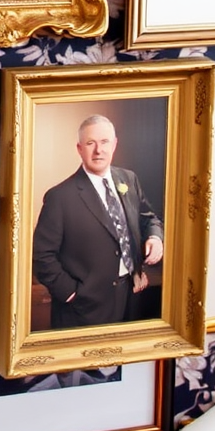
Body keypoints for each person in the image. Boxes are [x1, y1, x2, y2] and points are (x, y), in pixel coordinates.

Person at [31, 114, 164, 329]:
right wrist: (71, 293)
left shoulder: (128, 179)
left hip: (132, 297)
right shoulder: (60, 196)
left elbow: (148, 218)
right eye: (90, 143)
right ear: (79, 148)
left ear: (114, 145)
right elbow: (41, 255)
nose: (98, 150)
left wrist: (155, 238)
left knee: (127, 362)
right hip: (83, 309)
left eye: (104, 142)